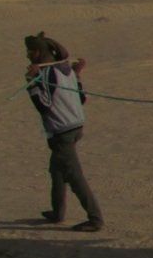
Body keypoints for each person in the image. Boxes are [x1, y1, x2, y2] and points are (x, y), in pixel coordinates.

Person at [24, 32, 105, 232]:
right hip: (75, 127)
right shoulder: (67, 69)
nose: (28, 56)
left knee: (75, 176)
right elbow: (82, 97)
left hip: (62, 133)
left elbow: (44, 105)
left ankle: (95, 219)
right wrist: (78, 73)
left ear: (39, 53)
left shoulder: (47, 73)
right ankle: (57, 212)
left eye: (30, 51)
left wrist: (32, 83)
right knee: (57, 170)